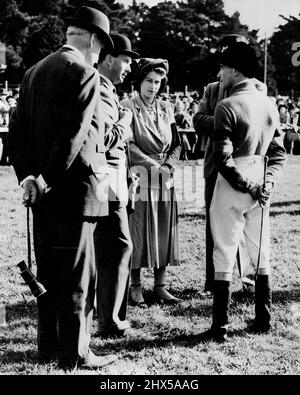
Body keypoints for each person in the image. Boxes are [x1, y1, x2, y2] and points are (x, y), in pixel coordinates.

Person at [8, 6, 119, 369]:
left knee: (48, 272)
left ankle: (48, 347)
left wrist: (28, 178)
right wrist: (45, 179)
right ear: (92, 39)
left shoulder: (32, 72)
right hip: (75, 194)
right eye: (102, 47)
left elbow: (17, 132)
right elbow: (74, 137)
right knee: (77, 276)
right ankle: (75, 353)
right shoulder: (84, 74)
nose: (101, 55)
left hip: (42, 195)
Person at [204, 42, 286, 342]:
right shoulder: (269, 103)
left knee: (224, 251)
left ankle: (220, 326)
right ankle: (263, 318)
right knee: (260, 252)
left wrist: (246, 185)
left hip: (234, 183)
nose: (220, 72)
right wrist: (269, 183)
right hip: (262, 180)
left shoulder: (226, 106)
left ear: (235, 71)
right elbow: (279, 153)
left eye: (223, 67)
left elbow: (223, 159)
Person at [193, 34, 265, 297]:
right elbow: (197, 119)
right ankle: (213, 282)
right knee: (215, 227)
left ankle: (249, 280)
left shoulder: (256, 88)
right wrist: (226, 121)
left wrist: (229, 120)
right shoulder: (212, 88)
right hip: (217, 165)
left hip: (246, 165)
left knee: (249, 226)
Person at [121, 58, 182, 306]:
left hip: (165, 176)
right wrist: (154, 166)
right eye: (149, 81)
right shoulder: (127, 106)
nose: (153, 86)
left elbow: (177, 143)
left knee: (163, 229)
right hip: (140, 174)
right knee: (138, 229)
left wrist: (168, 166)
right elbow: (129, 145)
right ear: (139, 81)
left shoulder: (167, 108)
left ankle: (160, 285)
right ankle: (135, 286)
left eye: (158, 82)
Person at [95, 33, 139, 336]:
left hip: (113, 179)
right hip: (103, 182)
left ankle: (111, 316)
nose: (128, 67)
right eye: (125, 60)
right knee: (119, 246)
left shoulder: (108, 89)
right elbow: (103, 139)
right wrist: (125, 124)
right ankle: (110, 319)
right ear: (109, 58)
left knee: (115, 247)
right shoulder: (97, 89)